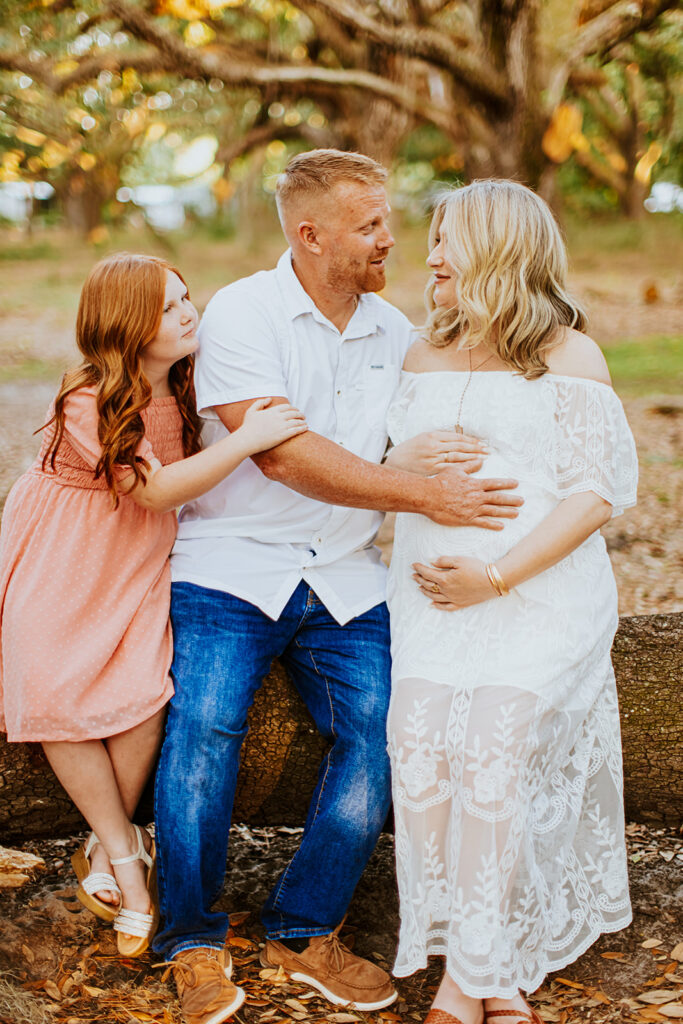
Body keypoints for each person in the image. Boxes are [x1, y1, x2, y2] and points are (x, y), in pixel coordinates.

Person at [152, 149, 524, 1024]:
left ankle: (303, 926)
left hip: (349, 579)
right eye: (368, 226)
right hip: (231, 563)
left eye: (385, 221)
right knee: (204, 725)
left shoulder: (395, 332)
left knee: (391, 730)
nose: (388, 239)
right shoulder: (243, 313)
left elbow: (442, 420)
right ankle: (192, 939)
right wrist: (423, 490)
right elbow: (283, 457)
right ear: (309, 234)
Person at [0, 252, 306, 959]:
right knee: (51, 684)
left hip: (137, 552)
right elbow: (156, 489)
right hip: (68, 546)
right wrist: (251, 441)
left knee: (145, 691)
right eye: (168, 307)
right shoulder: (88, 397)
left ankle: (109, 844)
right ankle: (127, 861)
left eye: (186, 297)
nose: (188, 312)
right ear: (127, 326)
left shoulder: (193, 386)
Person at [384, 179, 638, 1024]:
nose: (429, 258)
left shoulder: (568, 355)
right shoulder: (420, 351)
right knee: (418, 744)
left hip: (538, 599)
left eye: (447, 241)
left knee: (493, 741)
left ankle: (470, 976)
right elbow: (383, 472)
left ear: (498, 248)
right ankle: (487, 967)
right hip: (430, 607)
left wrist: (493, 578)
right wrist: (404, 451)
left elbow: (593, 496)